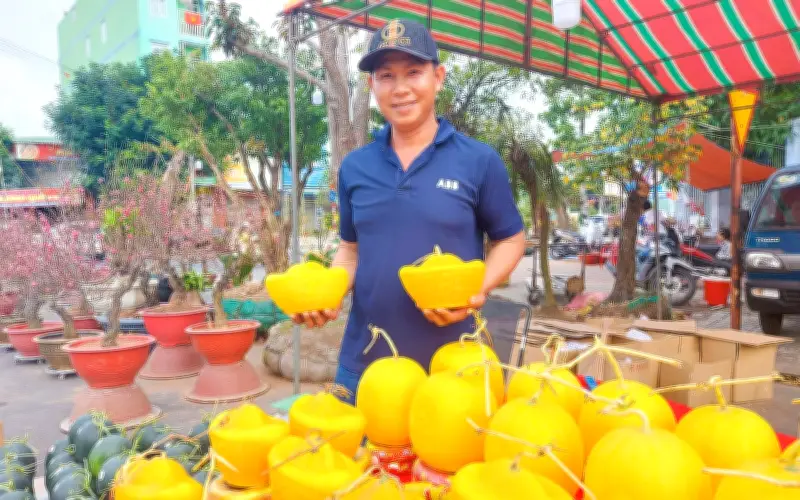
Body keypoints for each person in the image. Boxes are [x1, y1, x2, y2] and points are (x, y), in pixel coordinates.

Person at [290, 19, 525, 403]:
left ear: (438, 77)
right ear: (372, 85)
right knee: (355, 444)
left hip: (454, 363)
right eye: (386, 76)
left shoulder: (478, 161)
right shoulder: (355, 167)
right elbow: (350, 250)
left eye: (413, 72)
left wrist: (476, 289)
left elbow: (511, 239)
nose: (400, 88)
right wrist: (327, 295)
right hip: (365, 362)